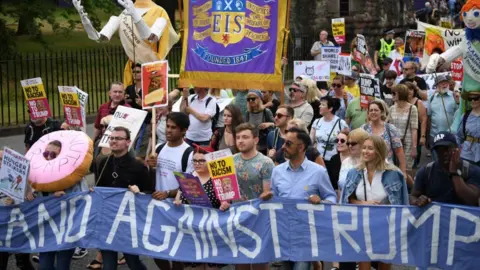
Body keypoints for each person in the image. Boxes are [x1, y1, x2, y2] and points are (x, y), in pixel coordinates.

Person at [267, 127, 336, 270]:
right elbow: (274, 197)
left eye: (288, 144)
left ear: (301, 147)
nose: (283, 147)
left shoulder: (318, 171)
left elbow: (331, 197)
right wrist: (268, 196)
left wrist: (321, 201)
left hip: (307, 234)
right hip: (283, 232)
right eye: (284, 143)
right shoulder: (277, 171)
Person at [341, 135, 409, 270]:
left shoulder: (394, 173)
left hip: (386, 225)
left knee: (384, 264)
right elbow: (347, 200)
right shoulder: (354, 173)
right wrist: (364, 203)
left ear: (379, 151)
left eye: (370, 148)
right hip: (361, 223)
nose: (365, 151)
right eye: (364, 147)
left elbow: (402, 204)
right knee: (363, 265)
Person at [95, 127, 150, 270]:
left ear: (128, 142)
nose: (113, 141)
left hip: (127, 222)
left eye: (118, 138)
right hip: (107, 220)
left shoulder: (138, 166)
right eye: (111, 138)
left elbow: (150, 191)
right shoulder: (104, 163)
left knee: (133, 262)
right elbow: (99, 188)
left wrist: (140, 191)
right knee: (108, 264)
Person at [146, 112, 192, 270]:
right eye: (167, 126)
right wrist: (149, 167)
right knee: (155, 249)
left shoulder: (188, 153)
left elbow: (188, 186)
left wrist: (168, 193)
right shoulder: (158, 148)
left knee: (176, 250)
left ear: (184, 130)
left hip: (176, 208)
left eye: (174, 127)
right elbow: (151, 178)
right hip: (158, 208)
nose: (169, 130)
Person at [173, 145, 229, 270]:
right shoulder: (187, 177)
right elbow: (178, 197)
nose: (197, 164)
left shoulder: (218, 178)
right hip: (193, 228)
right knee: (195, 265)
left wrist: (225, 204)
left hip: (213, 229)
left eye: (201, 161)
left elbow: (226, 200)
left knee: (211, 266)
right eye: (195, 161)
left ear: (210, 161)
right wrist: (177, 202)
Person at [39, 140, 89, 270]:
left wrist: (66, 197)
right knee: (44, 267)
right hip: (46, 229)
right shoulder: (37, 174)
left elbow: (82, 199)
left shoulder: (74, 176)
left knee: (62, 266)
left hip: (66, 228)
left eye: (53, 154)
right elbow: (33, 201)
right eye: (46, 153)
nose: (49, 157)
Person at [233, 123, 273, 270]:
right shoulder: (231, 160)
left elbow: (267, 192)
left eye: (245, 137)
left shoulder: (266, 163)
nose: (240, 141)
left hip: (259, 218)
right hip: (237, 217)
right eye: (238, 138)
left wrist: (267, 194)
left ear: (255, 140)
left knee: (259, 262)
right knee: (240, 261)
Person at [410, 131, 480, 207]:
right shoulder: (426, 171)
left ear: (457, 149)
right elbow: (413, 196)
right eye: (439, 150)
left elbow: (472, 200)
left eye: (447, 148)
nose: (444, 153)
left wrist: (454, 173)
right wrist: (418, 201)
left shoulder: (472, 171)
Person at [0, 149, 35, 270]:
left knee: (23, 263)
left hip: (19, 228)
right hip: (2, 231)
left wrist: (30, 194)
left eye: (3, 159)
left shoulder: (21, 179)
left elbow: (32, 199)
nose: (1, 162)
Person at [361, 100, 409, 182]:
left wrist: (403, 171)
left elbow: (399, 151)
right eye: (371, 110)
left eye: (376, 110)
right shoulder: (364, 129)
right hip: (368, 170)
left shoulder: (390, 128)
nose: (373, 112)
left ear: (381, 112)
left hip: (387, 169)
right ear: (368, 113)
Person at [310, 96, 349, 181]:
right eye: (320, 104)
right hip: (318, 160)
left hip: (334, 161)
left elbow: (346, 141)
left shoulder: (341, 123)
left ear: (330, 108)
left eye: (323, 105)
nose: (319, 106)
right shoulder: (316, 122)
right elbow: (311, 142)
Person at [389, 84, 418, 171]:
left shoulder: (412, 108)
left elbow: (414, 129)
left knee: (406, 169)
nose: (392, 95)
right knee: (394, 169)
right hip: (394, 143)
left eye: (394, 93)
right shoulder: (391, 108)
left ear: (401, 94)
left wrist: (414, 148)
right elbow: (388, 126)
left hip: (407, 144)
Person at [427, 74, 457, 159]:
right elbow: (428, 116)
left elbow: (459, 115)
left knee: (450, 160)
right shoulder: (432, 98)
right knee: (436, 160)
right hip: (434, 134)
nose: (444, 84)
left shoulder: (454, 96)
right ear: (436, 85)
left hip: (450, 134)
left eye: (445, 82)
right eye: (441, 83)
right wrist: (427, 135)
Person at [405, 81, 428, 168]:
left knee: (414, 158)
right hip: (404, 134)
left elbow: (423, 120)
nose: (409, 91)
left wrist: (422, 136)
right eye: (407, 89)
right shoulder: (400, 102)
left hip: (416, 134)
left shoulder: (419, 102)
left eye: (411, 89)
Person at [245, 90, 275, 154]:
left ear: (259, 99)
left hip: (263, 145)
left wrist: (268, 124)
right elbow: (245, 127)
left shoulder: (266, 111)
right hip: (251, 145)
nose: (250, 101)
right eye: (248, 99)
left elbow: (276, 124)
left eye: (253, 99)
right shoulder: (248, 113)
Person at [456, 93, 480, 166]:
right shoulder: (465, 116)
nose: (472, 101)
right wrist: (457, 148)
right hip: (467, 154)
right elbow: (459, 136)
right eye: (470, 99)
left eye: (475, 98)